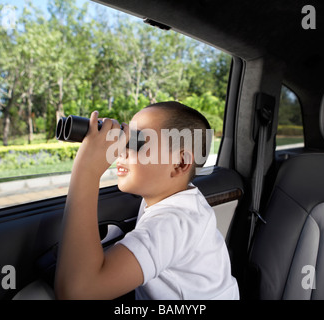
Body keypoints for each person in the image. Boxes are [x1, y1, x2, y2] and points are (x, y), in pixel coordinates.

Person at [55, 101, 239, 300]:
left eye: (137, 142)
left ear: (180, 163)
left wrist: (87, 170)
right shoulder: (181, 197)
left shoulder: (173, 223)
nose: (121, 150)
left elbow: (79, 293)